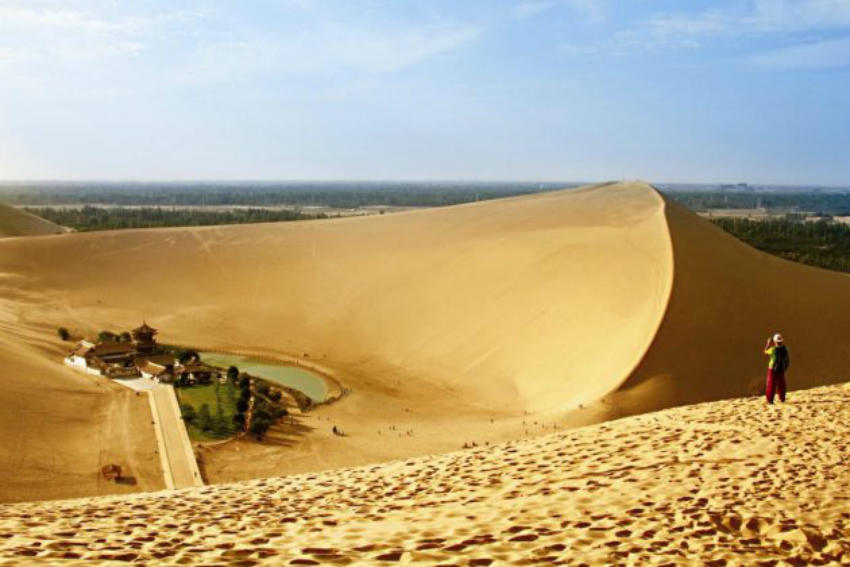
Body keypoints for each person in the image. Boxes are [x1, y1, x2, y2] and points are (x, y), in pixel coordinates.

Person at [764, 333, 790, 404]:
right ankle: (782, 398)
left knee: (771, 384)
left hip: (772, 369)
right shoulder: (785, 349)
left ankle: (770, 400)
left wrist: (768, 343)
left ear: (775, 341)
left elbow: (765, 351)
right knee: (781, 384)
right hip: (781, 369)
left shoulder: (772, 349)